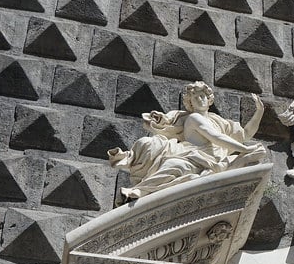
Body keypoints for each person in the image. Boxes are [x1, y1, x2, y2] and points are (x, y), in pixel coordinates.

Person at [108, 82, 266, 201]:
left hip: (215, 161)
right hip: (193, 157)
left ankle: (141, 191)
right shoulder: (193, 118)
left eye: (203, 96)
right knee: (175, 166)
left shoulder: (219, 122)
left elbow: (245, 135)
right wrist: (245, 150)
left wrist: (259, 112)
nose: (200, 100)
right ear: (190, 103)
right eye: (195, 98)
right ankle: (140, 191)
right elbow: (216, 138)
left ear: (209, 99)